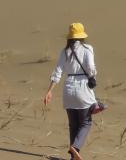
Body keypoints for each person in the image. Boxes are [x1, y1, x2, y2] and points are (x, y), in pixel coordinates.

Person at [43, 23, 105, 160]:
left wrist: (49, 91)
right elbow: (91, 68)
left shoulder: (64, 51)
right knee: (86, 123)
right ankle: (75, 147)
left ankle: (73, 157)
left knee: (73, 125)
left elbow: (57, 72)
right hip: (82, 89)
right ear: (82, 36)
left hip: (68, 89)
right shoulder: (87, 48)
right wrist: (93, 74)